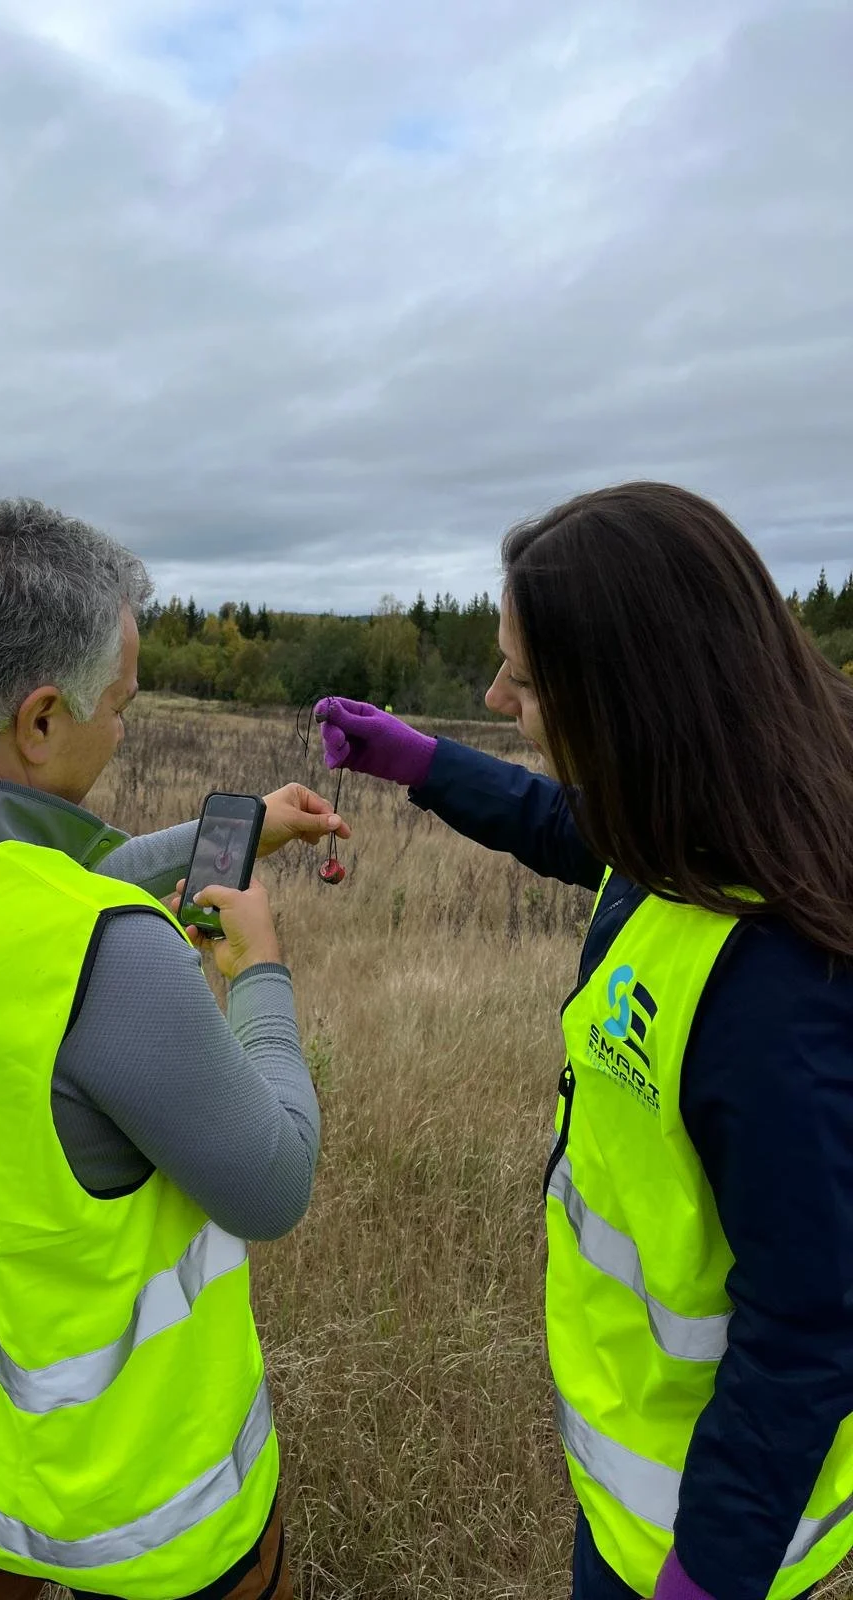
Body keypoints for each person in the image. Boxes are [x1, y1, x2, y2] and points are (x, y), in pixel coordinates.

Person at [0, 498, 351, 1600]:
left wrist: (223, 831)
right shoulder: (111, 957)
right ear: (40, 720)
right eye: (118, 706)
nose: (123, 730)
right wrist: (261, 974)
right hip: (145, 1512)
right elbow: (275, 1183)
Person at [316, 483, 853, 1600]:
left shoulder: (779, 991)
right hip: (635, 1473)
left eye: (521, 673)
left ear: (625, 695)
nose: (493, 692)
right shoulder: (698, 822)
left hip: (696, 1531)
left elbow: (809, 1324)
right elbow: (570, 830)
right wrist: (420, 764)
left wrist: (710, 1570)